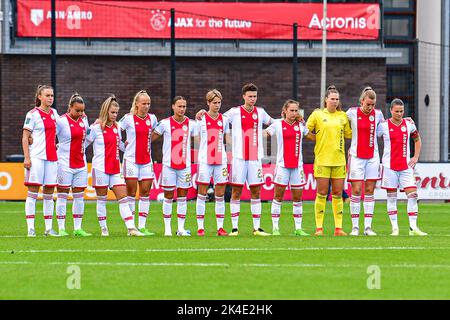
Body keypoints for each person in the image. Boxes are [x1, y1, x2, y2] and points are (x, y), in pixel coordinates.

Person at [86, 95, 144, 236]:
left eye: (116, 113)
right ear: (105, 111)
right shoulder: (95, 128)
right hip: (100, 168)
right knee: (102, 199)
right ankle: (104, 229)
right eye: (112, 112)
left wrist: (128, 146)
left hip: (115, 168)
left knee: (123, 198)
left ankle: (131, 228)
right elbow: (84, 143)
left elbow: (120, 146)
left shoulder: (117, 127)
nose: (114, 115)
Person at [223, 83, 273, 236]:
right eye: (250, 96)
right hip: (239, 158)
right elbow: (218, 120)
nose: (252, 99)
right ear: (244, 96)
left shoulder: (261, 112)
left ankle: (257, 228)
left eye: (254, 96)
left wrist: (267, 133)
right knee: (236, 191)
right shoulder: (234, 112)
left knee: (256, 191)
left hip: (255, 158)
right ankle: (234, 228)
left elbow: (275, 123)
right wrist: (229, 139)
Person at [306, 85, 352, 236]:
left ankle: (338, 228)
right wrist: (316, 138)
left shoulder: (343, 116)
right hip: (322, 160)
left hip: (339, 161)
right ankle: (319, 228)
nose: (335, 101)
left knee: (338, 193)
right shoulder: (317, 114)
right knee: (322, 192)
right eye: (332, 99)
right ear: (326, 100)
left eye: (337, 99)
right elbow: (306, 131)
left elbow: (349, 135)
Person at [377, 98, 427, 236]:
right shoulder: (383, 126)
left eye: (401, 111)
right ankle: (395, 228)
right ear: (391, 110)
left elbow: (417, 139)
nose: (399, 114)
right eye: (397, 111)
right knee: (391, 197)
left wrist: (416, 157)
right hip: (389, 167)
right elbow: (373, 137)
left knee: (413, 195)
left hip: (405, 167)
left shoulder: (409, 124)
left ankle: (413, 228)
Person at [265, 99, 315, 236]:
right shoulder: (277, 125)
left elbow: (312, 137)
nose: (294, 113)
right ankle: (275, 228)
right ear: (285, 111)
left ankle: (298, 228)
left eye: (296, 110)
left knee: (298, 198)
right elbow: (264, 134)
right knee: (278, 196)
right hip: (282, 166)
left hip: (297, 166)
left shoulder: (300, 125)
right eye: (291, 110)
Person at [152, 96, 198, 236]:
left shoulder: (192, 124)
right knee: (168, 196)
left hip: (185, 166)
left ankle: (181, 229)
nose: (182, 109)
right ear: (173, 106)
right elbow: (150, 139)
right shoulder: (164, 123)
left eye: (184, 106)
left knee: (183, 197)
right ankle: (167, 229)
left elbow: (199, 141)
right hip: (168, 166)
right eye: (179, 106)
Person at [346, 87, 385, 236]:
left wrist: (404, 121)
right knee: (356, 191)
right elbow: (339, 120)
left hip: (373, 157)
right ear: (362, 101)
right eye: (368, 104)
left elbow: (386, 128)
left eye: (373, 105)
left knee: (369, 191)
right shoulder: (352, 112)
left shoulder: (379, 114)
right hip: (356, 157)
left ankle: (368, 227)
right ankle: (355, 227)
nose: (370, 107)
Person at [22, 85, 59, 237]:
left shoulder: (55, 113)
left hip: (51, 159)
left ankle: (48, 228)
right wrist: (27, 157)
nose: (50, 98)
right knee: (33, 193)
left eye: (52, 95)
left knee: (49, 194)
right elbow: (25, 137)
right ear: (39, 97)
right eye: (47, 95)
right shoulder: (32, 114)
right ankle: (31, 228)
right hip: (36, 158)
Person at [119, 90, 157, 236]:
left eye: (148, 103)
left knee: (145, 193)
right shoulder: (128, 119)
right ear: (137, 103)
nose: (146, 106)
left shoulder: (152, 118)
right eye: (144, 103)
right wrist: (123, 146)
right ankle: (131, 227)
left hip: (147, 161)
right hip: (131, 161)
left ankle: (142, 226)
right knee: (131, 192)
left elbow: (154, 133)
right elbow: (116, 130)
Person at [55, 93, 91, 237]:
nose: (80, 113)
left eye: (82, 110)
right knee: (62, 196)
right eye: (77, 110)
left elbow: (86, 138)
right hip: (64, 164)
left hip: (81, 164)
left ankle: (77, 228)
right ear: (70, 107)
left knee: (79, 197)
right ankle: (62, 228)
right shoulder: (61, 121)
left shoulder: (84, 119)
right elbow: (51, 137)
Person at [195, 89, 230, 236]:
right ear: (208, 103)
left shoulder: (225, 119)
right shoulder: (201, 118)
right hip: (205, 160)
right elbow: (196, 138)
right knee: (202, 193)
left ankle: (220, 228)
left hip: (220, 161)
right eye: (214, 102)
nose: (217, 105)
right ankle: (200, 227)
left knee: (220, 194)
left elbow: (227, 139)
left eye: (219, 102)